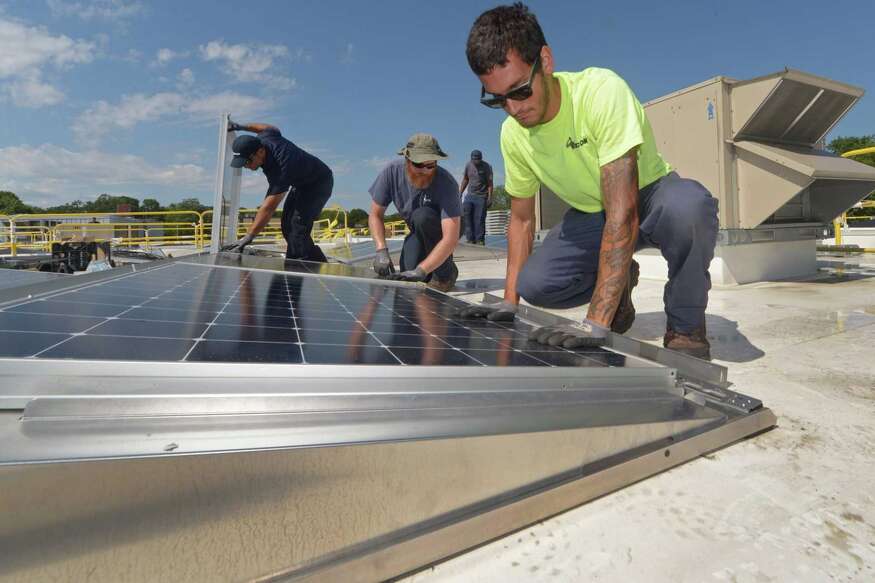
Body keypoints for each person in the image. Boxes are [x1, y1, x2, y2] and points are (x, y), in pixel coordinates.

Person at [460, 3, 719, 360]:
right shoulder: (513, 135)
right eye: (498, 100)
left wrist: (595, 323)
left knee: (690, 209)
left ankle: (685, 328)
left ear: (545, 61)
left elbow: (623, 211)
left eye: (520, 91)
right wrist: (510, 301)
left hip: (649, 196)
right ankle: (620, 285)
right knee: (535, 284)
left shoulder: (600, 92)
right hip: (591, 213)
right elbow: (520, 220)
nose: (513, 109)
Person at [222, 120, 333, 262]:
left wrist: (248, 237)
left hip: (319, 183)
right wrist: (240, 126)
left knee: (297, 228)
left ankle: (296, 269)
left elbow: (268, 208)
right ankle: (318, 263)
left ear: (260, 152)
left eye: (248, 162)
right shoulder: (265, 138)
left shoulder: (281, 168)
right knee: (287, 225)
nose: (246, 166)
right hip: (301, 184)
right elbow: (269, 127)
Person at [368, 133, 461, 293]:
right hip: (417, 229)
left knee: (422, 216)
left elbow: (450, 239)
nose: (425, 171)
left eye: (430, 165)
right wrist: (381, 250)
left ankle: (445, 275)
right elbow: (375, 215)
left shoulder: (447, 183)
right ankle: (429, 269)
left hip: (445, 228)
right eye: (419, 165)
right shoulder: (391, 173)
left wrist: (421, 270)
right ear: (407, 160)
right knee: (407, 273)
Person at [459, 149, 494, 245]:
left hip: (482, 196)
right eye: (474, 160)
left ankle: (479, 240)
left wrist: (490, 198)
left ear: (481, 159)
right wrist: (460, 192)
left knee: (479, 219)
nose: (476, 162)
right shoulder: (468, 165)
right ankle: (470, 239)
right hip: (470, 195)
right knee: (467, 215)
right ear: (471, 159)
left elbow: (490, 184)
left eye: (478, 160)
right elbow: (465, 179)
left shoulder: (487, 167)